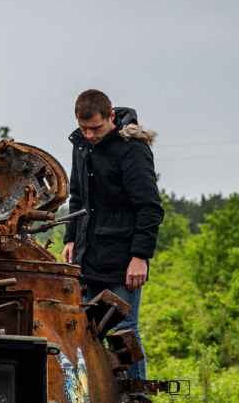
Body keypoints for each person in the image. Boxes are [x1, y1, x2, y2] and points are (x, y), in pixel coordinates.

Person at [61, 89, 163, 380]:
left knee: (122, 334)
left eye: (96, 128)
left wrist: (140, 257)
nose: (90, 135)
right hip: (87, 258)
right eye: (84, 128)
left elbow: (150, 208)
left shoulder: (133, 148)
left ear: (112, 118)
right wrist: (70, 238)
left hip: (123, 263)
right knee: (78, 333)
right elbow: (78, 198)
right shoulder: (80, 145)